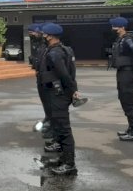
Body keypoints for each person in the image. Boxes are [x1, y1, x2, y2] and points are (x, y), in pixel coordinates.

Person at [38, 23, 82, 176]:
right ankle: (63, 159)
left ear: (50, 36)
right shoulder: (62, 49)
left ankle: (69, 164)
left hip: (59, 94)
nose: (43, 36)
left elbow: (64, 74)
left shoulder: (55, 53)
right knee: (59, 127)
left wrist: (73, 90)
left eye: (44, 34)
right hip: (58, 93)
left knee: (63, 130)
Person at [109, 17, 133, 141]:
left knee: (129, 101)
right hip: (122, 72)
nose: (113, 29)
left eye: (115, 27)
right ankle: (131, 128)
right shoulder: (121, 40)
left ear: (122, 27)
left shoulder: (128, 40)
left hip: (128, 74)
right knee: (124, 99)